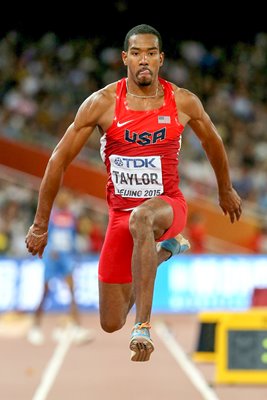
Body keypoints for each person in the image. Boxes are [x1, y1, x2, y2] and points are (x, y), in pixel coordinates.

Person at [25, 24, 242, 361]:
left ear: (161, 59)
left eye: (151, 53)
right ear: (125, 58)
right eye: (138, 53)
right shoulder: (102, 104)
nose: (145, 60)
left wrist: (225, 189)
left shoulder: (182, 101)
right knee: (110, 321)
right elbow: (58, 160)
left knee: (143, 217)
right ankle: (165, 252)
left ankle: (143, 327)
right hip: (119, 217)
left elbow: (213, 141)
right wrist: (40, 224)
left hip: (167, 206)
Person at [27, 188, 94, 345]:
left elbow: (72, 237)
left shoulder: (71, 217)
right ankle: (35, 327)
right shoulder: (51, 215)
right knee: (44, 293)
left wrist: (73, 253)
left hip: (66, 258)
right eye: (63, 197)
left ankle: (76, 327)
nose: (66, 200)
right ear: (58, 199)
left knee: (72, 292)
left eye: (68, 197)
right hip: (52, 257)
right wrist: (49, 249)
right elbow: (44, 233)